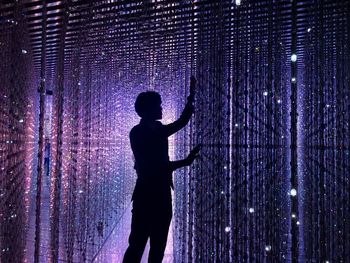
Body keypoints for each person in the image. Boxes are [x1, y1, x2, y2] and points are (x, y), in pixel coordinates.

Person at [123, 76, 200, 263]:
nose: (161, 108)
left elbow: (180, 123)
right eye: (158, 105)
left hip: (162, 196)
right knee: (137, 245)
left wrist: (191, 98)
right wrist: (185, 162)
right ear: (148, 110)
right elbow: (155, 167)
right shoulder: (138, 132)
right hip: (146, 195)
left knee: (158, 247)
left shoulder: (157, 128)